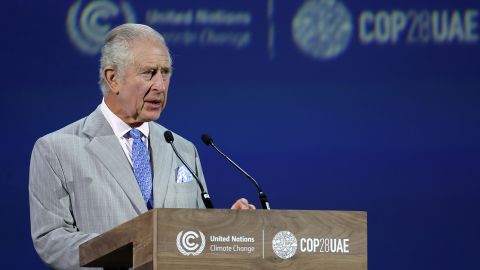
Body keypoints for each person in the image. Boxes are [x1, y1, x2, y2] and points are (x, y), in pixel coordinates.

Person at [29, 23, 254, 270]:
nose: (160, 85)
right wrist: (132, 248)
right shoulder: (57, 150)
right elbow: (52, 240)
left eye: (165, 72)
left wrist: (225, 230)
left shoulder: (183, 148)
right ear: (113, 78)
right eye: (149, 72)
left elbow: (193, 237)